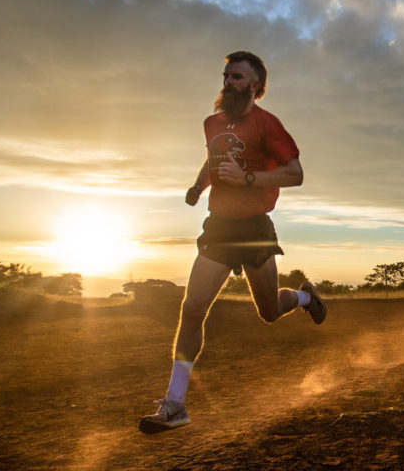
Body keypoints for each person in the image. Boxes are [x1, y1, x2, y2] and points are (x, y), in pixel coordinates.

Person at [140, 51, 326, 432]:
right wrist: (197, 185)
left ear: (255, 87)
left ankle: (305, 296)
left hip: (254, 229)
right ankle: (175, 405)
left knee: (270, 310)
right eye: (226, 75)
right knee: (192, 309)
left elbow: (296, 173)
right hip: (219, 228)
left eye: (237, 77)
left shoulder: (268, 124)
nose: (228, 82)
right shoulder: (212, 123)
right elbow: (213, 159)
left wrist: (249, 180)